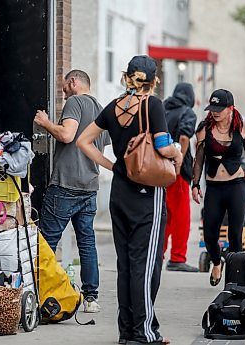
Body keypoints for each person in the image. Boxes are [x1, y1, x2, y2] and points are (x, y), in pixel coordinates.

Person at [77, 55, 181, 345]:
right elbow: (161, 144)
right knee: (146, 266)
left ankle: (127, 332)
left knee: (127, 265)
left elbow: (83, 141)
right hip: (146, 192)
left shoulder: (113, 107)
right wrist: (177, 151)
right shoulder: (153, 105)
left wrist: (112, 166)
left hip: (120, 192)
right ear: (153, 80)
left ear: (127, 77)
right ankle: (144, 333)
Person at [34, 69, 110, 313]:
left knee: (45, 242)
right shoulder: (101, 109)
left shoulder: (75, 102)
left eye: (64, 87)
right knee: (87, 243)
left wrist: (45, 123)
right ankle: (90, 298)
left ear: (73, 82)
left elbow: (67, 135)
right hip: (89, 186)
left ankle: (37, 293)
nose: (63, 93)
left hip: (66, 184)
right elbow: (101, 147)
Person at [191, 89, 245, 287]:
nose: (215, 112)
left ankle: (234, 280)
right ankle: (217, 262)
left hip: (236, 186)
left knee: (235, 235)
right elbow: (199, 158)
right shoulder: (204, 128)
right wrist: (195, 184)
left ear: (230, 108)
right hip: (214, 188)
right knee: (210, 233)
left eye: (219, 109)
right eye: (212, 108)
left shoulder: (243, 126)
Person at [162, 82, 198, 272]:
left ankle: (158, 253)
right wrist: (179, 161)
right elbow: (184, 137)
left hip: (158, 169)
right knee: (181, 217)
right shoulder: (187, 112)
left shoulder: (162, 108)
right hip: (177, 171)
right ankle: (177, 258)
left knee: (164, 216)